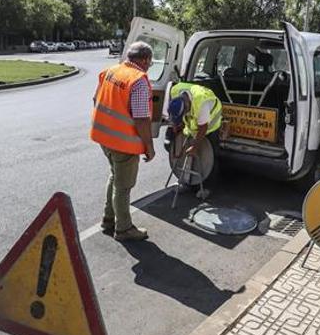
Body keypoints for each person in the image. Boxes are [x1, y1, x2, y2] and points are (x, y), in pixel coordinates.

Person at [90, 41, 155, 241]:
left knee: (115, 176)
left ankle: (108, 220)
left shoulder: (110, 71)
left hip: (103, 138)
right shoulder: (138, 80)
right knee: (123, 186)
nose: (150, 66)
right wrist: (149, 147)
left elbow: (95, 99)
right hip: (123, 143)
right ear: (144, 60)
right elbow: (141, 119)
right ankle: (124, 229)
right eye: (150, 62)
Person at [166, 82, 223, 158]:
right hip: (197, 115)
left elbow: (203, 128)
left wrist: (194, 147)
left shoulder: (201, 104)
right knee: (192, 132)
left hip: (212, 119)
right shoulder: (175, 90)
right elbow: (174, 112)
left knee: (210, 151)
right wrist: (175, 125)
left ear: (187, 106)